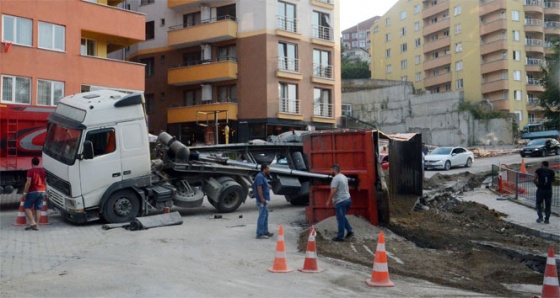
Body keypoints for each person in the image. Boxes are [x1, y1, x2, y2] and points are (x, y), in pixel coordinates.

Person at [327, 164, 353, 242]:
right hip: (347, 199)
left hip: (340, 201)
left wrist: (328, 200)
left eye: (331, 170)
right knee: (342, 217)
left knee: (340, 219)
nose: (330, 171)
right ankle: (349, 231)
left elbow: (333, 190)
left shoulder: (335, 179)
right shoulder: (344, 177)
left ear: (334, 170)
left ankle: (340, 237)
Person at [23, 157, 47, 231]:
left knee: (26, 207)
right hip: (42, 191)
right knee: (38, 208)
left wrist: (25, 192)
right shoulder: (43, 171)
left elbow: (28, 183)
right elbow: (45, 182)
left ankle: (32, 222)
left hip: (33, 191)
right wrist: (45, 190)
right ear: (38, 163)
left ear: (32, 163)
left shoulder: (30, 171)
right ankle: (36, 225)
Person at [254, 163, 273, 239]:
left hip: (265, 200)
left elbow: (263, 186)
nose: (269, 170)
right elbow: (259, 189)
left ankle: (265, 231)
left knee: (265, 215)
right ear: (264, 169)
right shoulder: (259, 177)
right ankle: (259, 234)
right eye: (268, 168)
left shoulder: (263, 176)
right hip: (262, 200)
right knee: (262, 216)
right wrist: (262, 199)